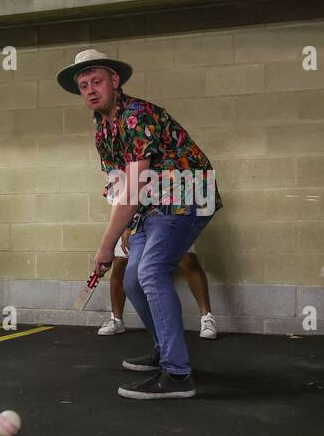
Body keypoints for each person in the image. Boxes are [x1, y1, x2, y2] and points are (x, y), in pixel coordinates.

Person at [58, 48, 220, 399]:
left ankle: (177, 375)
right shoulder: (103, 130)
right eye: (83, 85)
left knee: (151, 271)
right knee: (132, 280)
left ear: (115, 81)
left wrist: (105, 247)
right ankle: (165, 349)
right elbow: (121, 184)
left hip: (186, 192)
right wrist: (126, 228)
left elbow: (134, 186)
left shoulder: (136, 115)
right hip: (153, 204)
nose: (89, 90)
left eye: (96, 81)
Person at [98, 236, 218, 339]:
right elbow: (122, 209)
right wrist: (127, 227)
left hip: (170, 217)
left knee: (188, 260)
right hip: (133, 221)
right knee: (120, 264)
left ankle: (207, 318)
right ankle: (116, 319)